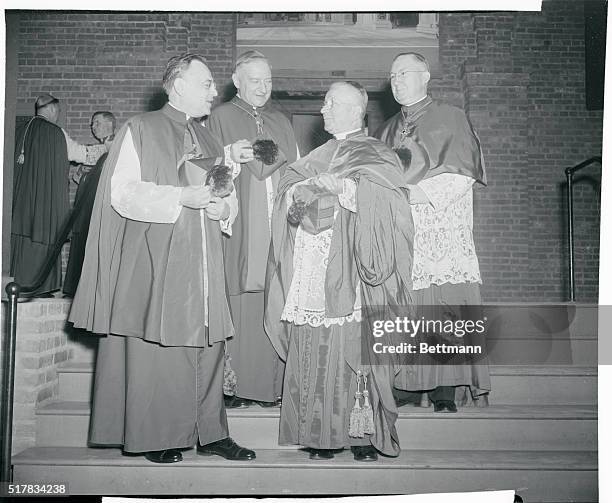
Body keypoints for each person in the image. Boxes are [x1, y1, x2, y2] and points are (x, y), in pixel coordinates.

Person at [69, 53, 257, 463]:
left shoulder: (208, 138)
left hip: (204, 259)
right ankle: (158, 434)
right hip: (158, 256)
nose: (214, 91)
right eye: (206, 83)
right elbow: (122, 192)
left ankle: (211, 433)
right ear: (179, 85)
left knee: (209, 346)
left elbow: (227, 197)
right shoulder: (141, 128)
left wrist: (222, 210)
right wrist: (179, 197)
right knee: (160, 350)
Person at [265, 81, 414, 461]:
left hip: (355, 267)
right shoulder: (317, 153)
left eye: (333, 103)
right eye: (326, 102)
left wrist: (347, 188)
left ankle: (361, 436)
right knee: (315, 347)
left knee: (354, 348)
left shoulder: (377, 154)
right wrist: (303, 192)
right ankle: (319, 435)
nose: (324, 110)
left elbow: (392, 205)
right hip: (315, 264)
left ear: (356, 110)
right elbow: (287, 196)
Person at [374, 52, 491, 412]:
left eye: (403, 73)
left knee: (444, 306)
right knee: (408, 310)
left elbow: (462, 174)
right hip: (402, 231)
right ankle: (410, 386)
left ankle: (445, 391)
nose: (396, 81)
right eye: (392, 75)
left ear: (425, 76)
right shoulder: (386, 128)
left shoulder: (450, 116)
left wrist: (412, 194)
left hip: (440, 228)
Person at [208, 50, 298, 408]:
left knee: (274, 297)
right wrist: (229, 155)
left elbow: (295, 169)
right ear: (237, 81)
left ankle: (269, 387)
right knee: (238, 298)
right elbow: (205, 172)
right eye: (255, 80)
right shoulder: (219, 118)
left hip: (277, 224)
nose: (263, 87)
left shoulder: (281, 121)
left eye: (268, 80)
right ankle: (233, 386)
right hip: (238, 227)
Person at [11, 93, 107, 296]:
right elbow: (80, 154)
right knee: (43, 232)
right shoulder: (54, 133)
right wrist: (107, 149)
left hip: (22, 201)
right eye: (58, 112)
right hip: (43, 202)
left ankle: (18, 284)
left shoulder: (20, 131)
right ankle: (39, 287)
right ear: (53, 109)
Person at [63, 111, 117, 297]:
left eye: (97, 122)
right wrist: (84, 173)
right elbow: (77, 177)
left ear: (110, 124)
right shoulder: (97, 148)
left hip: (100, 205)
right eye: (92, 124)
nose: (93, 127)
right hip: (85, 204)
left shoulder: (115, 146)